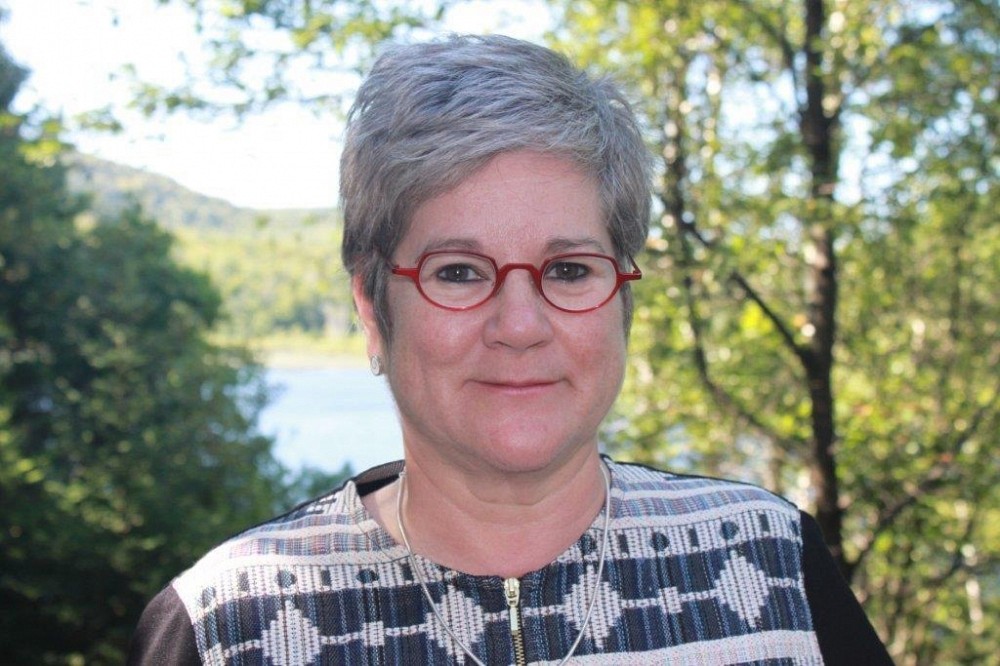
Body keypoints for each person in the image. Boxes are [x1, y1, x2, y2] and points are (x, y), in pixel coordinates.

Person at [128, 34, 892, 665]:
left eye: (568, 270)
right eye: (458, 272)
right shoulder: (229, 626)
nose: (520, 325)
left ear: (623, 299)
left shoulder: (774, 568)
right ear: (371, 307)